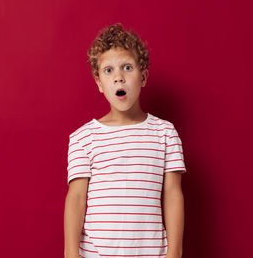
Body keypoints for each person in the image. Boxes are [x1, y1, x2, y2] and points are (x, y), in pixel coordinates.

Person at [64, 23, 186, 258]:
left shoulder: (165, 133)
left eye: (127, 68)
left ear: (143, 77)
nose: (118, 78)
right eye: (108, 71)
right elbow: (76, 198)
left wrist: (175, 253)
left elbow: (172, 194)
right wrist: (70, 253)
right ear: (99, 83)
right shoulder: (83, 138)